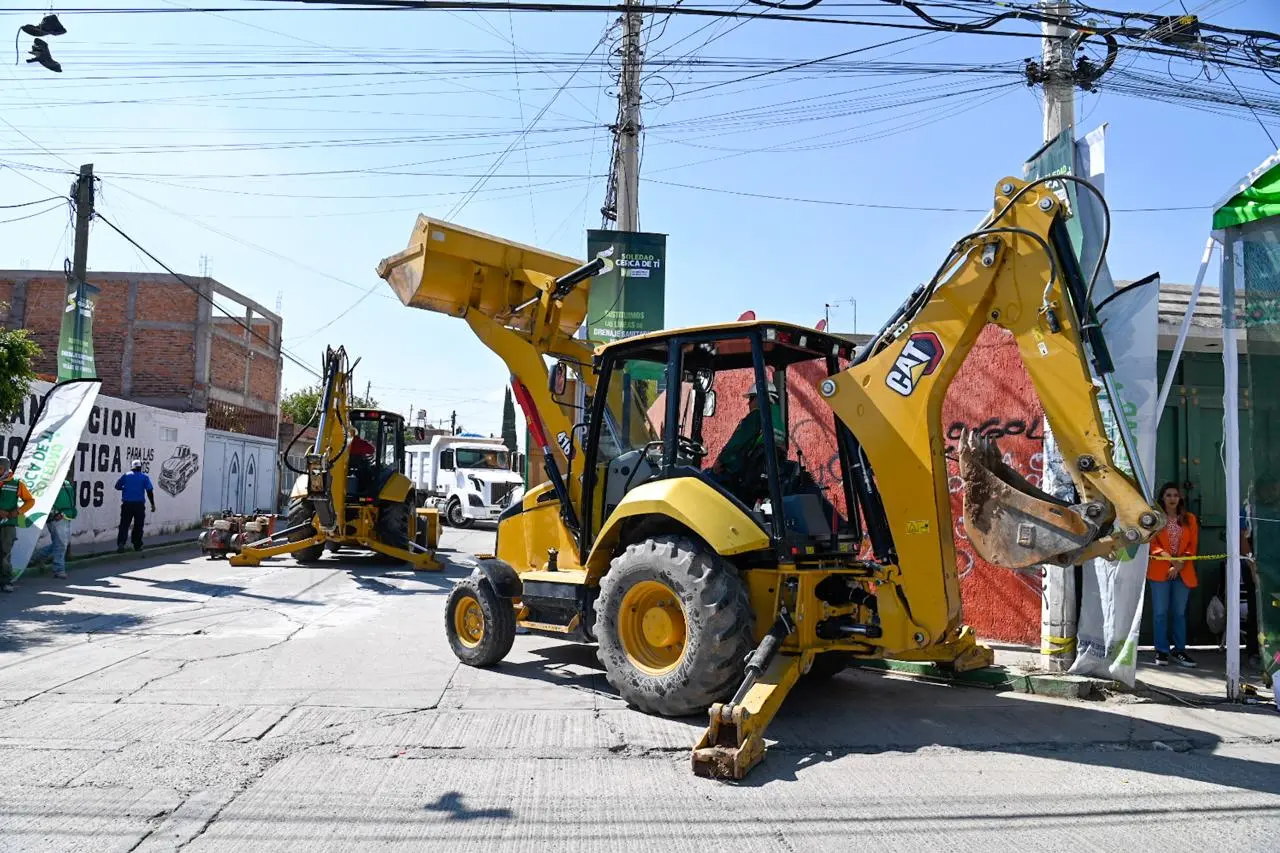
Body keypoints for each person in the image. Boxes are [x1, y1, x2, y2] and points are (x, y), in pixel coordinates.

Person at [1148, 482, 1199, 668]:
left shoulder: (1189, 519)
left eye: (1175, 495)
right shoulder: (1155, 518)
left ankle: (1179, 650)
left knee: (1179, 613)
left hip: (1183, 571)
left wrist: (1179, 565)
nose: (1172, 499)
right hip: (1160, 570)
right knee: (1160, 612)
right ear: (1162, 498)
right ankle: (1161, 650)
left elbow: (1192, 546)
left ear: (1180, 498)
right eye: (1168, 495)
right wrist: (1171, 562)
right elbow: (1152, 544)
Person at [708, 380, 785, 501]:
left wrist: (720, 461)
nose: (748, 404)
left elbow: (737, 443)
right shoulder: (777, 420)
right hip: (763, 476)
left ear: (759, 398)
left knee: (705, 479)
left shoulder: (756, 416)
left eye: (751, 399)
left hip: (743, 476)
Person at [0, 458, 35, 593]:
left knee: (5, 553)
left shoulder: (17, 484)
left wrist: (19, 511)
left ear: (5, 468)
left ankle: (6, 581)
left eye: (0, 468)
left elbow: (30, 501)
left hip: (8, 525)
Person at [115, 460, 156, 553]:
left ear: (132, 467)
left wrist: (124, 488)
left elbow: (117, 486)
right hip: (139, 506)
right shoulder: (144, 477)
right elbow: (149, 491)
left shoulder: (126, 475)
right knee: (138, 526)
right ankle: (137, 545)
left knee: (124, 525)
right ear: (140, 467)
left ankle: (121, 543)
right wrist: (152, 504)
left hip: (127, 505)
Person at [48, 473, 77, 580]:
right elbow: (46, 500)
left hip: (67, 516)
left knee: (61, 543)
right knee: (61, 544)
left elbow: (71, 499)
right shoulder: (50, 483)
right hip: (57, 517)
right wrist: (54, 514)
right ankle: (59, 569)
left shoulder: (67, 483)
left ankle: (36, 557)